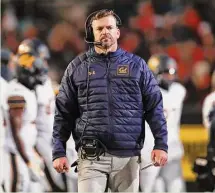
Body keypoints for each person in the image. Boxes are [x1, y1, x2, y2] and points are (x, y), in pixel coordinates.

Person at [52, 9, 168, 192]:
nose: (104, 32)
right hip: (90, 156)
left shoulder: (137, 66)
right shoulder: (77, 67)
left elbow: (155, 107)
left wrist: (161, 144)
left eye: (109, 27)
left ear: (117, 32)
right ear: (92, 33)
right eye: (99, 28)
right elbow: (63, 113)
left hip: (128, 157)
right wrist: (58, 152)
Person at [4, 40, 47, 192]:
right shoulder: (17, 92)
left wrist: (32, 154)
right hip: (14, 154)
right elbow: (16, 132)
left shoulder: (26, 91)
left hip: (24, 151)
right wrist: (28, 160)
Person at [140, 54, 186, 192]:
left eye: (173, 72)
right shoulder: (145, 94)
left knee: (176, 188)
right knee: (153, 189)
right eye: (167, 72)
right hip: (150, 151)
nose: (171, 76)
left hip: (172, 149)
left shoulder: (179, 91)